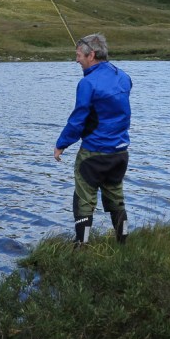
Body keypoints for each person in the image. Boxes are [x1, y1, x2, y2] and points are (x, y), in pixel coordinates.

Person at [53, 33, 132, 245]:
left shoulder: (87, 83)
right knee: (116, 199)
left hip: (93, 154)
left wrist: (61, 144)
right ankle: (123, 244)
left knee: (84, 201)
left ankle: (82, 245)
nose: (76, 60)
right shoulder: (124, 76)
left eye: (79, 55)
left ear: (92, 55)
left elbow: (78, 119)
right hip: (120, 153)